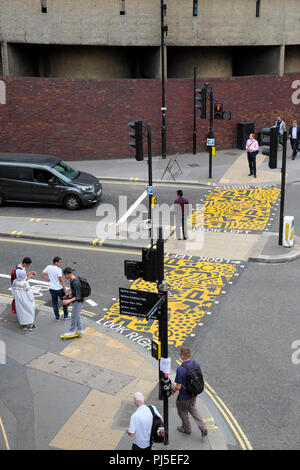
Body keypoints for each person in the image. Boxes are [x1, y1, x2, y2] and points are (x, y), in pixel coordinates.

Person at [172, 346, 207, 437]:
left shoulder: (181, 369)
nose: (179, 355)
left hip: (184, 397)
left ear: (182, 356)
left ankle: (186, 429)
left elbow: (178, 386)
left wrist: (173, 390)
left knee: (182, 411)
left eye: (180, 354)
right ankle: (203, 427)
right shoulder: (196, 364)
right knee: (192, 408)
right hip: (194, 393)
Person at [41, 256, 69, 321]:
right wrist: (64, 287)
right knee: (64, 302)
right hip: (59, 289)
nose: (60, 263)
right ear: (56, 262)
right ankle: (65, 316)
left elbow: (42, 274)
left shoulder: (48, 267)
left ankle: (57, 317)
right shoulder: (58, 270)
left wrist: (48, 279)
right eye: (60, 262)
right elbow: (61, 280)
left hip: (52, 289)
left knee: (54, 303)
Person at [61, 267, 84, 337]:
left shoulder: (76, 282)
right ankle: (80, 329)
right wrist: (70, 294)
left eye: (64, 275)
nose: (64, 277)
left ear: (68, 274)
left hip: (78, 301)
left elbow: (78, 296)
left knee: (74, 316)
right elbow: (74, 291)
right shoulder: (71, 280)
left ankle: (72, 331)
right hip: (76, 300)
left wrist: (68, 301)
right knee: (77, 315)